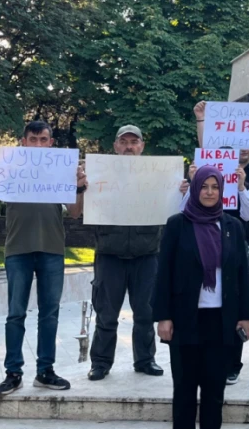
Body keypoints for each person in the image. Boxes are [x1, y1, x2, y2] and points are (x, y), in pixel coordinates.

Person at [0, 121, 86, 396]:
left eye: (43, 139)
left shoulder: (60, 168)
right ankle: (13, 372)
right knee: (16, 314)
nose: (38, 144)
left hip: (52, 249)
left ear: (51, 143)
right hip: (17, 250)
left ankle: (45, 371)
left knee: (50, 314)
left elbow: (74, 212)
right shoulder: (9, 167)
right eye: (33, 139)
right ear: (22, 142)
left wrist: (79, 188)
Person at [153, 166, 249, 429]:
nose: (210, 192)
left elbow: (242, 275)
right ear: (196, 189)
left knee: (214, 394)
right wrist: (163, 316)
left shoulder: (233, 226)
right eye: (205, 186)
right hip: (185, 320)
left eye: (215, 187)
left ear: (222, 190)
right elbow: (163, 272)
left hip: (221, 322)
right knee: (184, 393)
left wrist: (246, 315)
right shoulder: (177, 224)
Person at [194, 101, 249, 373]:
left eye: (248, 142)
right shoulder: (217, 170)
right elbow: (206, 153)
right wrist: (201, 120)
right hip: (222, 243)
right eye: (237, 142)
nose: (243, 147)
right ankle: (232, 352)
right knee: (230, 294)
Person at [87, 125, 166, 382]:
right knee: (106, 313)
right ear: (115, 146)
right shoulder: (99, 174)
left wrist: (180, 189)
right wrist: (82, 186)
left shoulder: (157, 176)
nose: (129, 146)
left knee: (145, 312)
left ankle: (145, 359)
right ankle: (100, 362)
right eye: (124, 142)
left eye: (134, 142)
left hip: (147, 254)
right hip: (110, 253)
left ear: (142, 146)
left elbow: (171, 206)